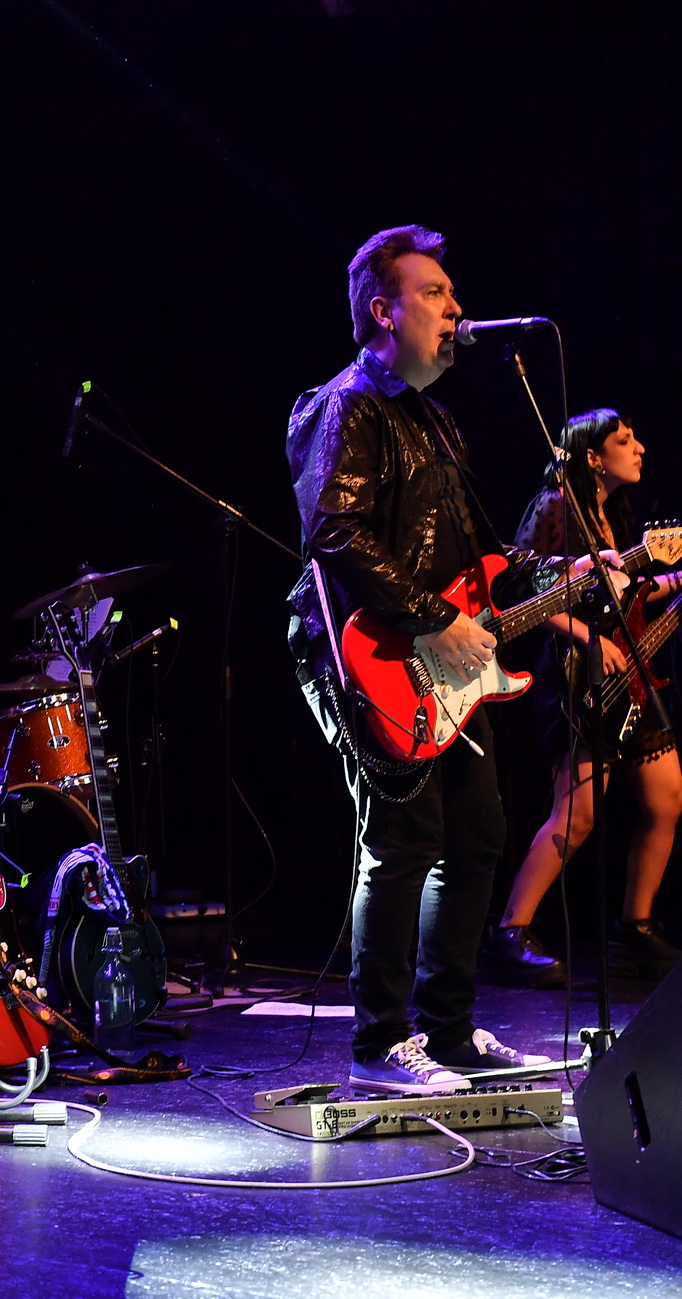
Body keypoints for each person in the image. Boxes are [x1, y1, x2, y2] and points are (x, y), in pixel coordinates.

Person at [286, 225, 556, 1095]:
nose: (455, 307)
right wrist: (436, 619)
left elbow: (472, 558)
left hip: (440, 657)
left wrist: (564, 576)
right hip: (364, 652)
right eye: (433, 291)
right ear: (382, 311)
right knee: (403, 841)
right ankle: (379, 1044)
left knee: (476, 836)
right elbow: (333, 531)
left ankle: (447, 1031)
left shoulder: (435, 422)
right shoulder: (345, 405)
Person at [483, 409, 682, 986]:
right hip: (578, 674)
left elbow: (630, 592)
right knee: (578, 815)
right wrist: (588, 637)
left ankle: (635, 931)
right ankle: (509, 932)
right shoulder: (557, 506)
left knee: (666, 799)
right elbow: (520, 596)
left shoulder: (613, 514)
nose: (640, 447)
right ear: (593, 457)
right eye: (625, 440)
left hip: (630, 672)